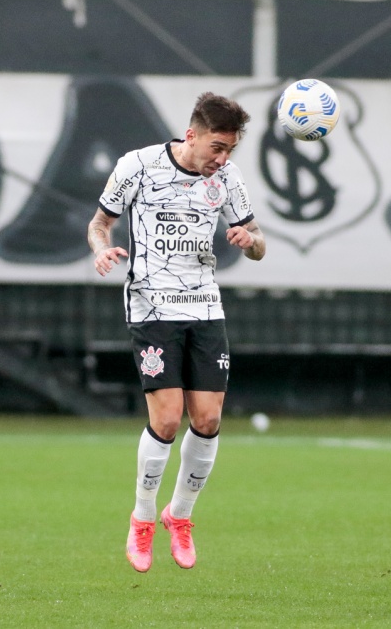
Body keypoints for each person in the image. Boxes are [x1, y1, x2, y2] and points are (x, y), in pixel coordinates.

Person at [86, 92, 265, 573]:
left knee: (206, 419)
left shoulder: (228, 179)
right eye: (217, 147)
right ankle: (142, 519)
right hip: (151, 304)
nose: (222, 159)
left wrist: (250, 242)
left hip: (205, 306)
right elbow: (100, 223)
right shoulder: (138, 166)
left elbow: (259, 243)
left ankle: (178, 516)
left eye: (230, 150)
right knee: (166, 420)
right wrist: (101, 250)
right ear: (192, 135)